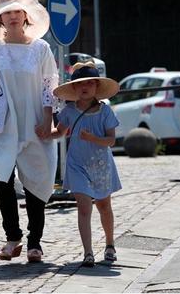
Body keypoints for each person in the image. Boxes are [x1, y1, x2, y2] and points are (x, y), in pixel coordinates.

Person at [0, 0, 58, 262]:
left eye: (16, 11)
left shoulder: (41, 49)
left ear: (26, 15)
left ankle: (35, 241)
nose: (11, 16)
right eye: (6, 12)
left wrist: (48, 119)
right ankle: (13, 237)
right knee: (2, 179)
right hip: (3, 126)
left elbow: (49, 87)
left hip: (34, 122)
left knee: (37, 179)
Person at [50, 61, 122, 267]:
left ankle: (109, 244)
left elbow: (111, 141)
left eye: (90, 83)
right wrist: (43, 134)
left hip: (101, 166)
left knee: (104, 206)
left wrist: (93, 139)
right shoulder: (69, 111)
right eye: (80, 83)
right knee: (83, 207)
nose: (85, 87)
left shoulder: (105, 112)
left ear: (97, 86)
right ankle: (88, 252)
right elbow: (59, 132)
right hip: (77, 165)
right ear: (73, 87)